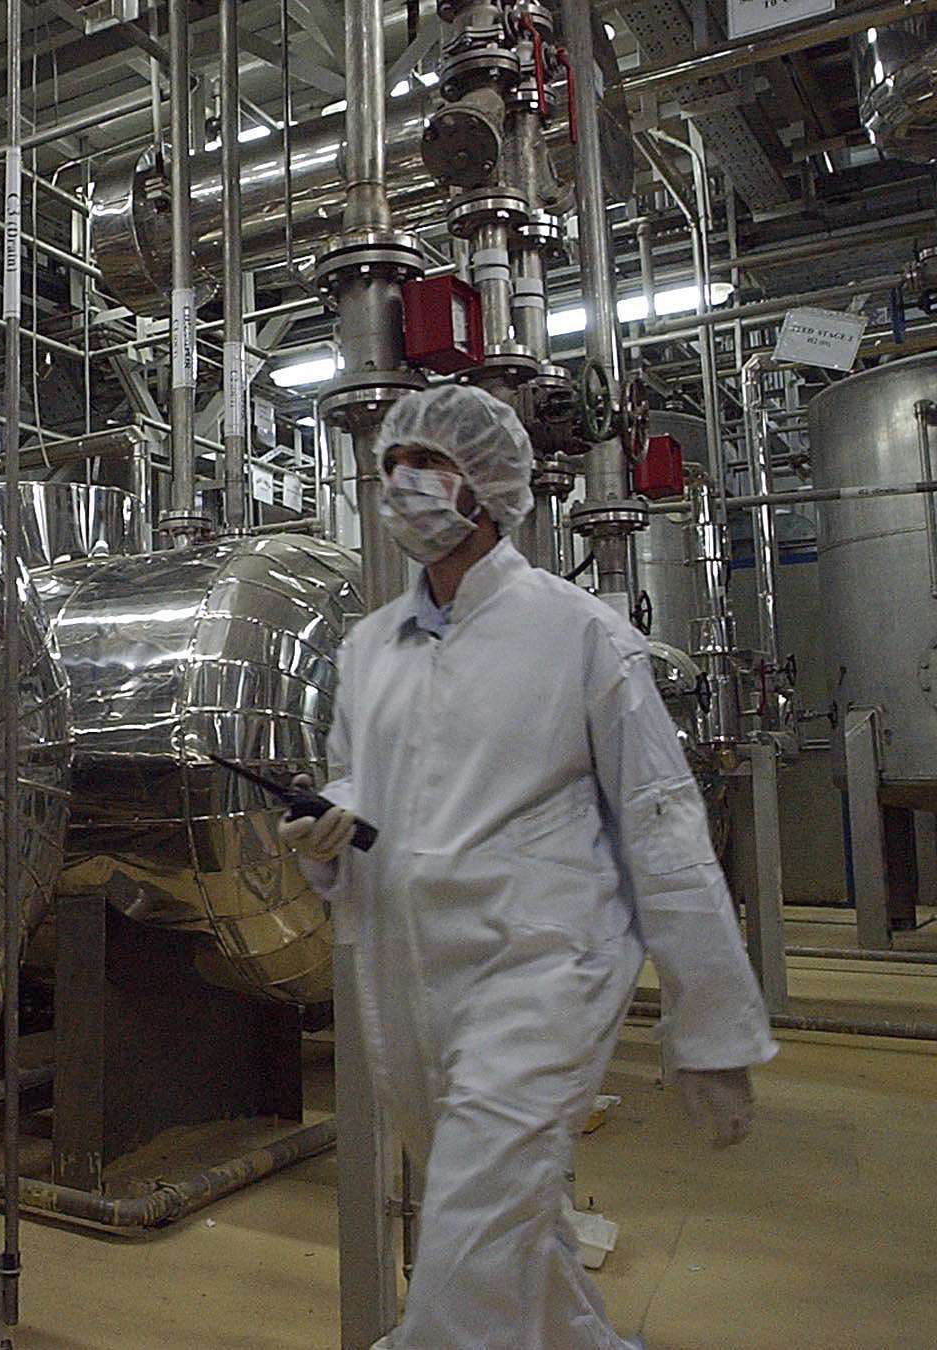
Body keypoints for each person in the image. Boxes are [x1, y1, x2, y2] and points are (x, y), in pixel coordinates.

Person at [282, 384, 775, 1350]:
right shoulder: (369, 649)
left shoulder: (579, 634)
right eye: (392, 467)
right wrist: (331, 833)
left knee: (469, 1235)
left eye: (431, 462)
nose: (407, 485)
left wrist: (710, 1024)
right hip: (412, 979)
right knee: (508, 1221)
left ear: (494, 485)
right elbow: (368, 793)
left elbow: (663, 830)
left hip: (543, 968)